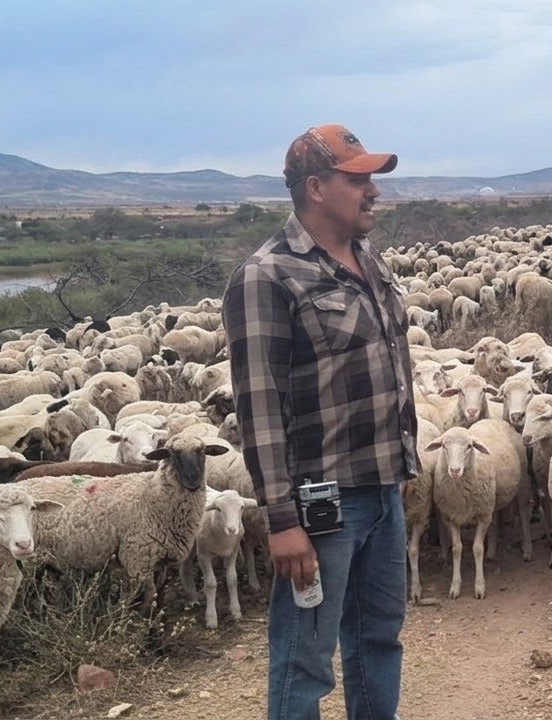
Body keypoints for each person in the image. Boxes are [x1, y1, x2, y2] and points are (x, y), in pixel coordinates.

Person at [223, 124, 417, 720]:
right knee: (305, 661)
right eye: (357, 179)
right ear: (315, 188)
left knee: (378, 640)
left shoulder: (366, 259)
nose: (373, 192)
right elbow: (259, 408)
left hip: (384, 489)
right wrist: (282, 521)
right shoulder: (266, 278)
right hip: (323, 504)